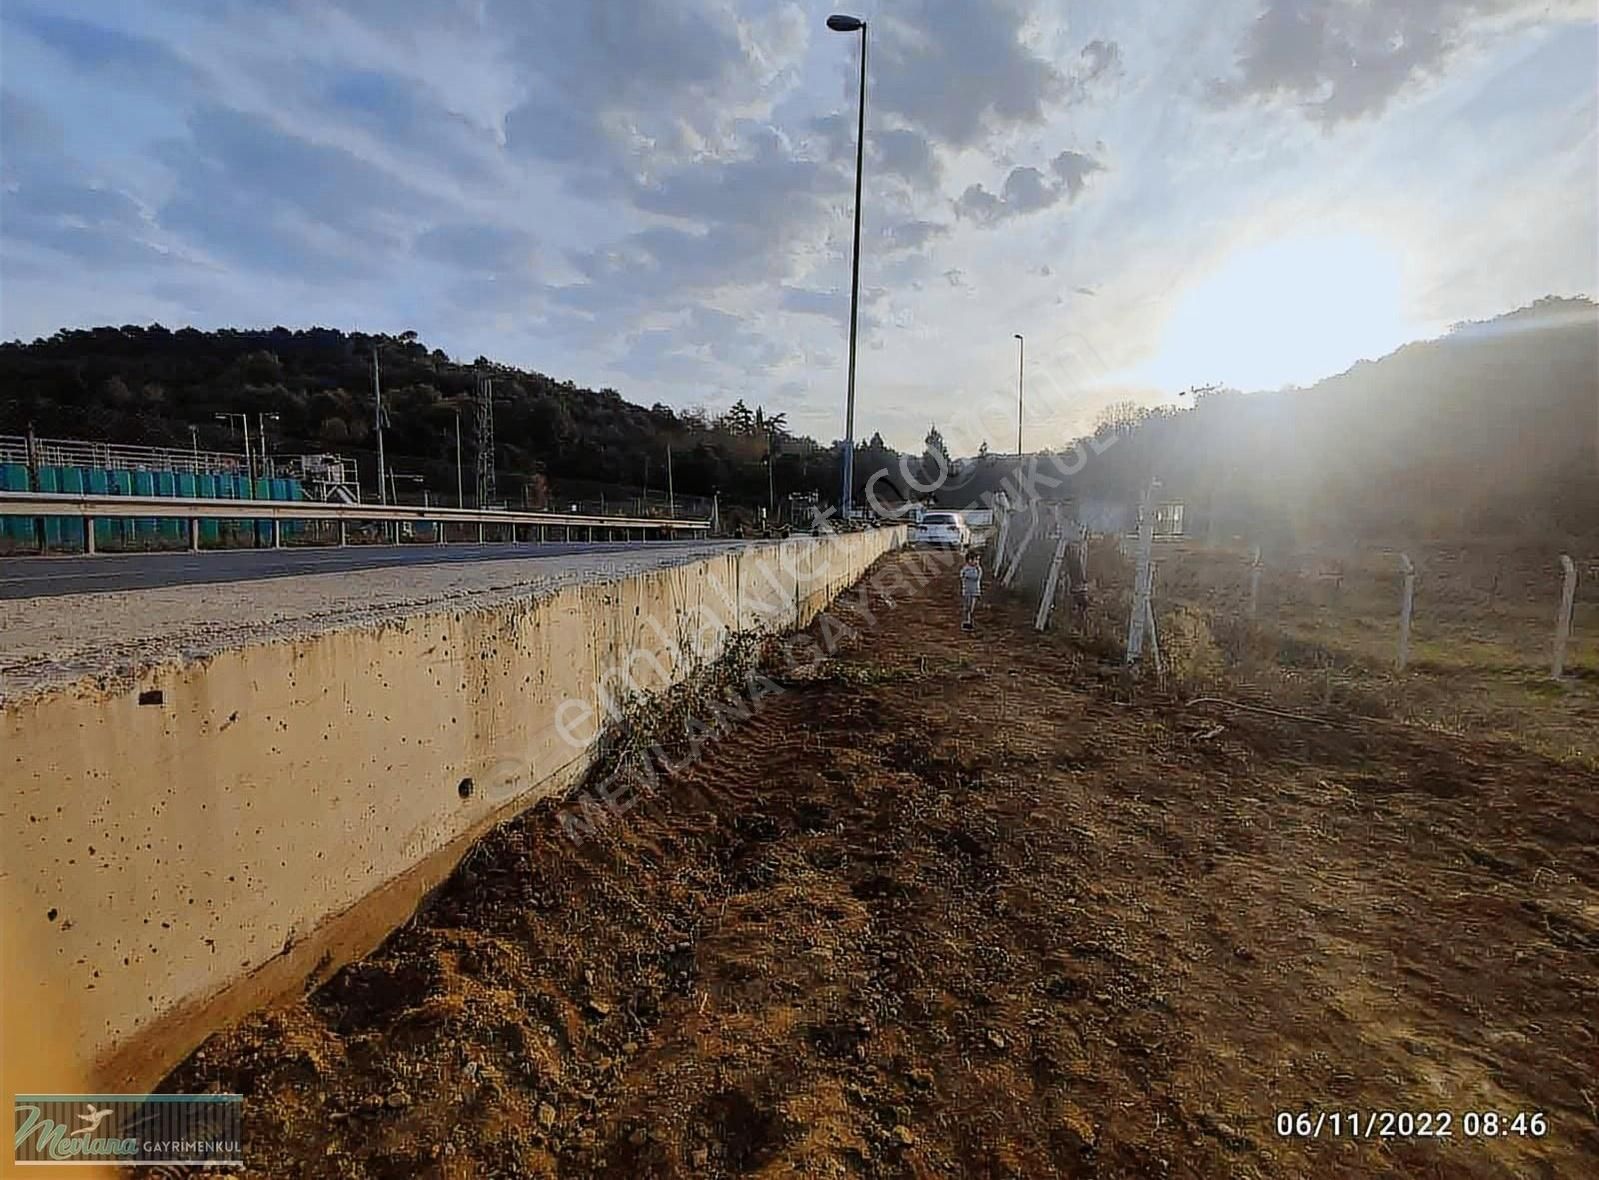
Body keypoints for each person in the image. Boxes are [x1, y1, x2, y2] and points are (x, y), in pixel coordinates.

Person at [959, 550, 982, 631]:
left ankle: (970, 622)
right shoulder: (966, 569)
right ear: (969, 560)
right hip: (967, 591)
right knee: (967, 607)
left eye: (978, 560)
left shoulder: (978, 569)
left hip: (975, 591)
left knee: (972, 608)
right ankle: (966, 622)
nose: (977, 562)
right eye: (975, 559)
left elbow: (977, 578)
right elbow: (963, 576)